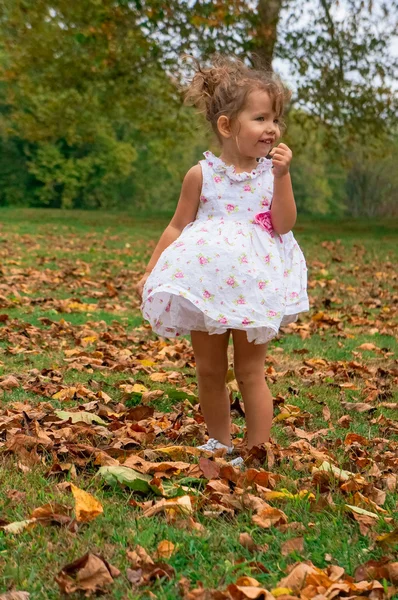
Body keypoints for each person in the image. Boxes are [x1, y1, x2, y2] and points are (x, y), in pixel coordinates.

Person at [136, 55, 309, 461]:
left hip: (253, 288)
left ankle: (256, 447)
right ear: (228, 126)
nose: (272, 129)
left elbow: (283, 224)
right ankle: (219, 441)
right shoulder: (201, 175)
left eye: (276, 120)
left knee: (250, 371)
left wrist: (282, 178)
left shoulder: (271, 175)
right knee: (210, 370)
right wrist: (151, 271)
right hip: (205, 287)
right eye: (261, 118)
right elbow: (177, 227)